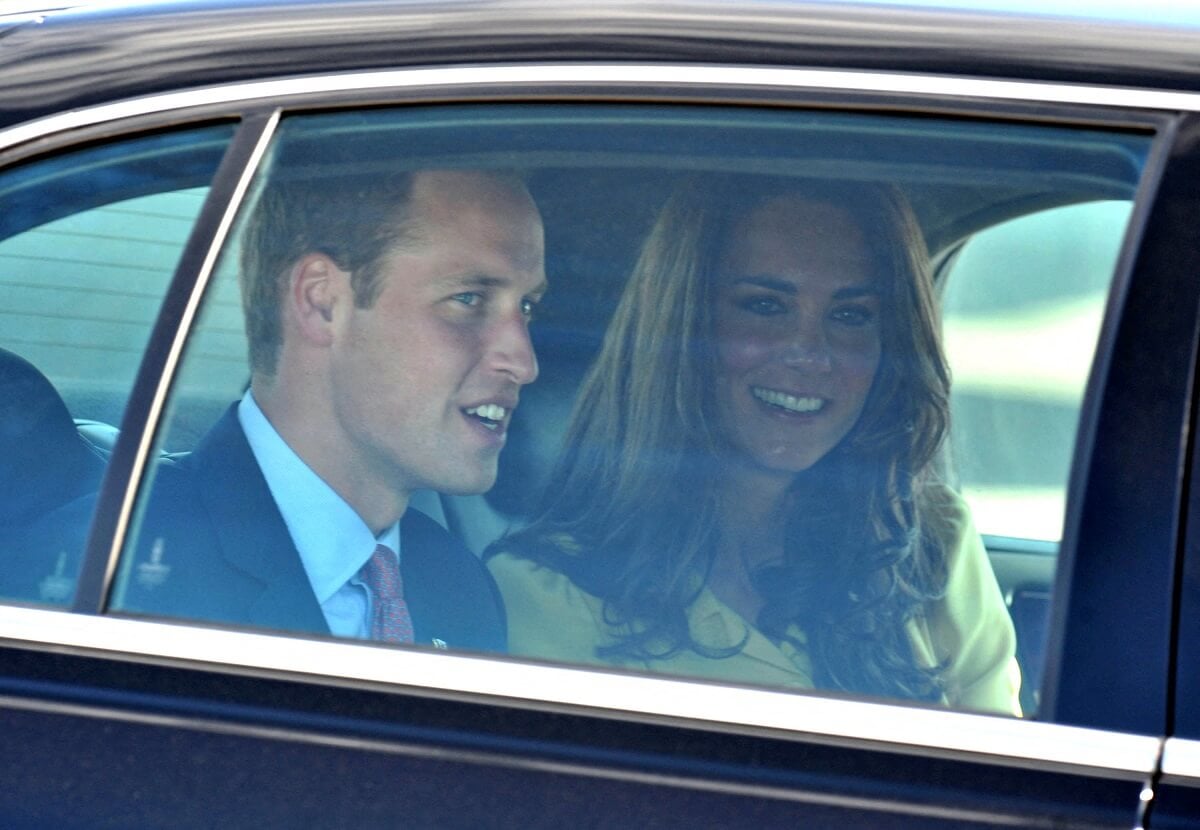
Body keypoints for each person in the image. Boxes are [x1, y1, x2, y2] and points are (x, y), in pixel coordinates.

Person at [486, 176, 1021, 714]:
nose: (810, 354)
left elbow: (1006, 782)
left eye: (850, 315)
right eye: (765, 306)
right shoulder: (540, 594)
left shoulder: (932, 544)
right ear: (682, 323)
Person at [120, 166, 547, 653]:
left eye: (528, 307)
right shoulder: (120, 567)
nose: (524, 362)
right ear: (322, 302)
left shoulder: (462, 588)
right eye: (468, 299)